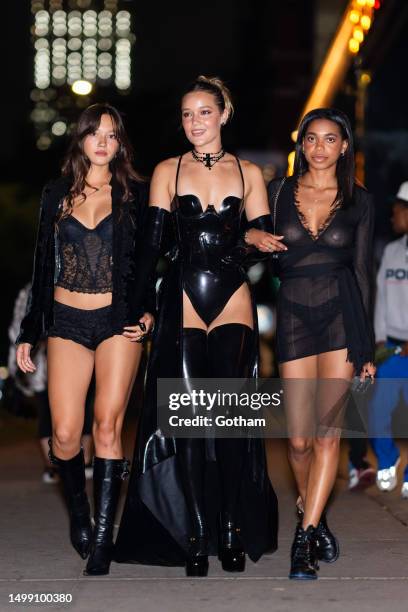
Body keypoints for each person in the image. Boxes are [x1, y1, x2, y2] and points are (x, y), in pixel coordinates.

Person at [115, 76, 279, 577]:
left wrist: (251, 234)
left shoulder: (250, 172)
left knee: (228, 423)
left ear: (223, 113)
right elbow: (151, 245)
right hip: (183, 294)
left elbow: (266, 243)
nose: (195, 122)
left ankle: (230, 530)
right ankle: (194, 533)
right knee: (188, 424)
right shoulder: (169, 168)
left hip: (232, 295)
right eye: (187, 114)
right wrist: (137, 304)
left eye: (203, 112)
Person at [16, 104, 155, 576]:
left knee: (108, 426)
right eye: (94, 133)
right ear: (79, 140)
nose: (102, 142)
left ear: (120, 145)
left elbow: (151, 259)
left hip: (118, 322)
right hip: (67, 321)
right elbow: (41, 265)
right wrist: (28, 332)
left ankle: (101, 536)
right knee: (65, 433)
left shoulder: (136, 194)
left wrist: (149, 309)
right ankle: (78, 512)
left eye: (112, 136)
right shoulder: (56, 194)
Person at [246, 108, 376, 579]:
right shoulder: (278, 192)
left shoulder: (360, 200)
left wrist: (366, 347)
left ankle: (305, 537)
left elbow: (363, 274)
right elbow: (239, 239)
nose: (319, 147)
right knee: (298, 441)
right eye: (311, 139)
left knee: (327, 434)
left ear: (344, 147)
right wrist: (250, 233)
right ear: (301, 145)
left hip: (342, 316)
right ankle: (312, 510)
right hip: (296, 315)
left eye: (329, 139)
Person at [8, 283, 94, 484]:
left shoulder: (73, 282)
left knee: (81, 408)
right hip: (40, 361)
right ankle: (56, 465)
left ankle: (77, 463)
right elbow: (17, 327)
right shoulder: (30, 291)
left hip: (74, 356)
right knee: (49, 413)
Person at [369, 181, 408, 498]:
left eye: (399, 209)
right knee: (377, 414)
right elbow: (381, 297)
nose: (394, 215)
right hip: (392, 348)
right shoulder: (392, 251)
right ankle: (387, 459)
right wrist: (380, 338)